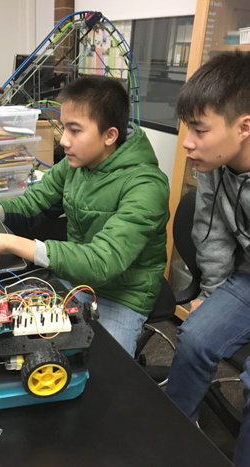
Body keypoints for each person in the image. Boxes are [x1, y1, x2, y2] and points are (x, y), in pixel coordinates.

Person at [0, 75, 169, 357]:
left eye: (75, 131)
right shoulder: (78, 163)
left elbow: (102, 262)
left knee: (106, 375)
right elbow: (36, 198)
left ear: (110, 135)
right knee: (28, 346)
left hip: (124, 295)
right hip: (76, 278)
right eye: (63, 128)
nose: (64, 141)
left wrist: (10, 242)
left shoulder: (146, 186)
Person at [165, 50, 250, 467]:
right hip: (246, 279)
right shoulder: (214, 164)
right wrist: (212, 293)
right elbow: (213, 235)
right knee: (195, 337)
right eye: (187, 128)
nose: (187, 142)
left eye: (199, 130)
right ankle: (173, 439)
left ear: (244, 126)